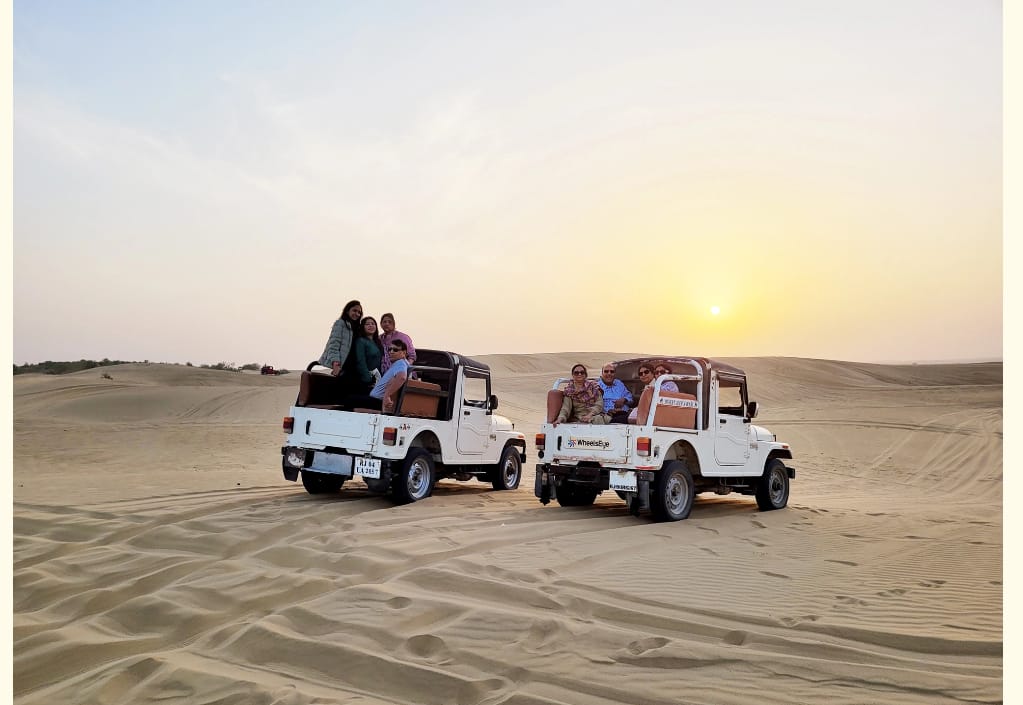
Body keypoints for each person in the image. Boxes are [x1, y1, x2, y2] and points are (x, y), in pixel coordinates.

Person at [345, 338, 411, 413]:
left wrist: (387, 396)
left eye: (395, 350)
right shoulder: (400, 364)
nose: (391, 352)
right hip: (376, 399)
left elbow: (402, 377)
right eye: (389, 349)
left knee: (348, 400)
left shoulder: (400, 363)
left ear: (404, 352)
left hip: (378, 401)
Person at [318, 300, 363, 377]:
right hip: (343, 365)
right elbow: (334, 344)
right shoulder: (340, 323)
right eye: (354, 311)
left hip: (355, 365)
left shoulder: (358, 328)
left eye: (359, 312)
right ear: (347, 311)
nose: (357, 314)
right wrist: (336, 363)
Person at [350, 316, 384, 395]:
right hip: (366, 380)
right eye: (367, 324)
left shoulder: (378, 342)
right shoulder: (360, 341)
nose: (370, 326)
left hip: (377, 379)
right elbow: (360, 361)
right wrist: (368, 378)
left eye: (373, 324)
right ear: (363, 327)